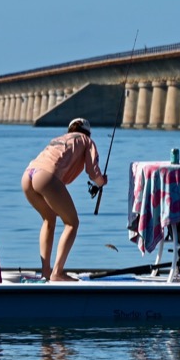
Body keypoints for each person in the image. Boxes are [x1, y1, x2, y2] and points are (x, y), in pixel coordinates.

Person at [21, 117, 107, 281]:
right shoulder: (86, 140)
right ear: (87, 132)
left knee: (49, 219)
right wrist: (102, 181)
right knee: (72, 223)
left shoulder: (58, 139)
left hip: (28, 175)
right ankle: (58, 273)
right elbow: (93, 173)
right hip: (45, 177)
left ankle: (46, 272)